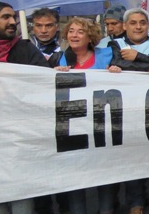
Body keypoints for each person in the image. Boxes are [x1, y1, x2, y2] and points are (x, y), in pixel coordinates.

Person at [0, 1, 50, 214]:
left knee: (23, 202)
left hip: (20, 140)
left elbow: (44, 83)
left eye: (13, 17)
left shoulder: (25, 48)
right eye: (5, 17)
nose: (13, 22)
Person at [49, 17, 120, 214]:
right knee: (76, 179)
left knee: (104, 176)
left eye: (80, 31)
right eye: (71, 31)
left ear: (90, 37)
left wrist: (117, 72)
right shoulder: (58, 59)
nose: (74, 35)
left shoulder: (106, 55)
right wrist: (50, 74)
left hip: (101, 127)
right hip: (72, 129)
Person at [108, 8, 149, 214]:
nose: (138, 26)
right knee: (132, 156)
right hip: (127, 109)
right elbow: (119, 63)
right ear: (125, 26)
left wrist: (138, 56)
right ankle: (136, 202)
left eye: (142, 22)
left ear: (148, 25)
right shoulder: (116, 44)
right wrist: (148, 66)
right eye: (133, 23)